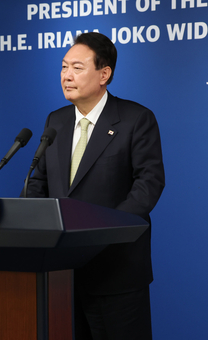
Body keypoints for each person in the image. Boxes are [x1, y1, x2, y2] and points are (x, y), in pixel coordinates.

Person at [26, 32, 165, 339]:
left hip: (116, 271)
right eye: (63, 67)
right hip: (62, 273)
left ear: (104, 74)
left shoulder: (135, 119)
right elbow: (40, 183)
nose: (66, 76)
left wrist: (105, 232)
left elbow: (149, 184)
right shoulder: (56, 121)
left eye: (77, 67)